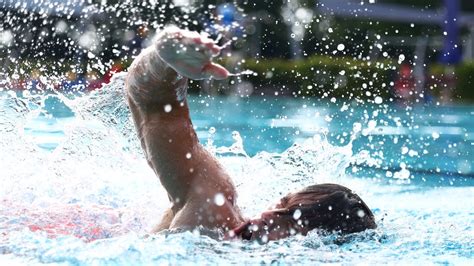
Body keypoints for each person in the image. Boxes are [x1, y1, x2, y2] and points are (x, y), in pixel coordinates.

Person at [125, 26, 376, 243]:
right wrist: (166, 60)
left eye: (289, 219)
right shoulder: (213, 209)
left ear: (314, 244)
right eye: (281, 204)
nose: (268, 217)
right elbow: (155, 108)